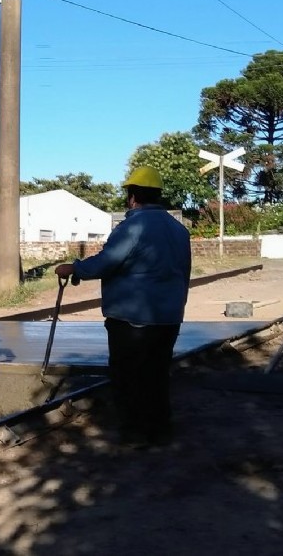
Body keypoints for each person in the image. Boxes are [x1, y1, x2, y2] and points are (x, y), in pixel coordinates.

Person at [55, 166, 191, 448]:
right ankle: (160, 431)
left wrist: (74, 268)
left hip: (131, 320)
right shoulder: (179, 230)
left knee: (128, 376)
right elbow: (184, 272)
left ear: (132, 196)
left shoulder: (132, 226)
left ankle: (133, 433)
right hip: (168, 318)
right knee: (156, 375)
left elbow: (107, 261)